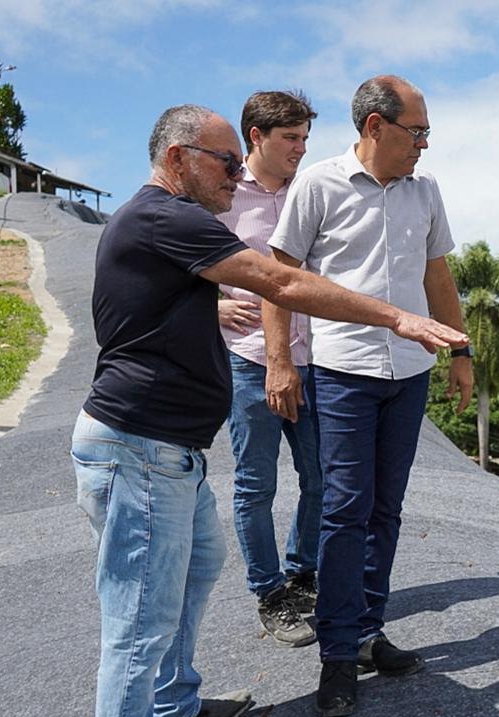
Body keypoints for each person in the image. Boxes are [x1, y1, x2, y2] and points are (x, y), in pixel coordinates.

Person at [72, 103, 466, 717]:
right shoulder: (167, 215)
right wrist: (394, 317)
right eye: (226, 161)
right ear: (180, 158)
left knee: (194, 574)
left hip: (168, 450)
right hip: (138, 448)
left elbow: (161, 302)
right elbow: (279, 282)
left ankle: (176, 708)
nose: (237, 176)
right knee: (138, 618)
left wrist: (209, 306)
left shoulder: (162, 225)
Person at [269, 75, 473, 717]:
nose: (424, 145)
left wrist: (461, 354)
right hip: (343, 370)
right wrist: (280, 360)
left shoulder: (427, 191)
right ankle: (336, 654)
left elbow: (436, 272)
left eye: (427, 134)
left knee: (387, 508)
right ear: (375, 126)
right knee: (344, 508)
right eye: (416, 132)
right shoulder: (319, 184)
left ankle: (367, 632)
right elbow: (278, 276)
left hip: (408, 371)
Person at [216, 91, 321, 647]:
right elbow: (173, 259)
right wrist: (210, 305)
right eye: (291, 139)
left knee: (323, 477)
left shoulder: (311, 191)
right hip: (249, 361)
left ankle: (304, 576)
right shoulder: (225, 196)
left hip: (312, 358)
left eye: (305, 139)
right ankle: (270, 592)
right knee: (256, 484)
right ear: (256, 137)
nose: (301, 150)